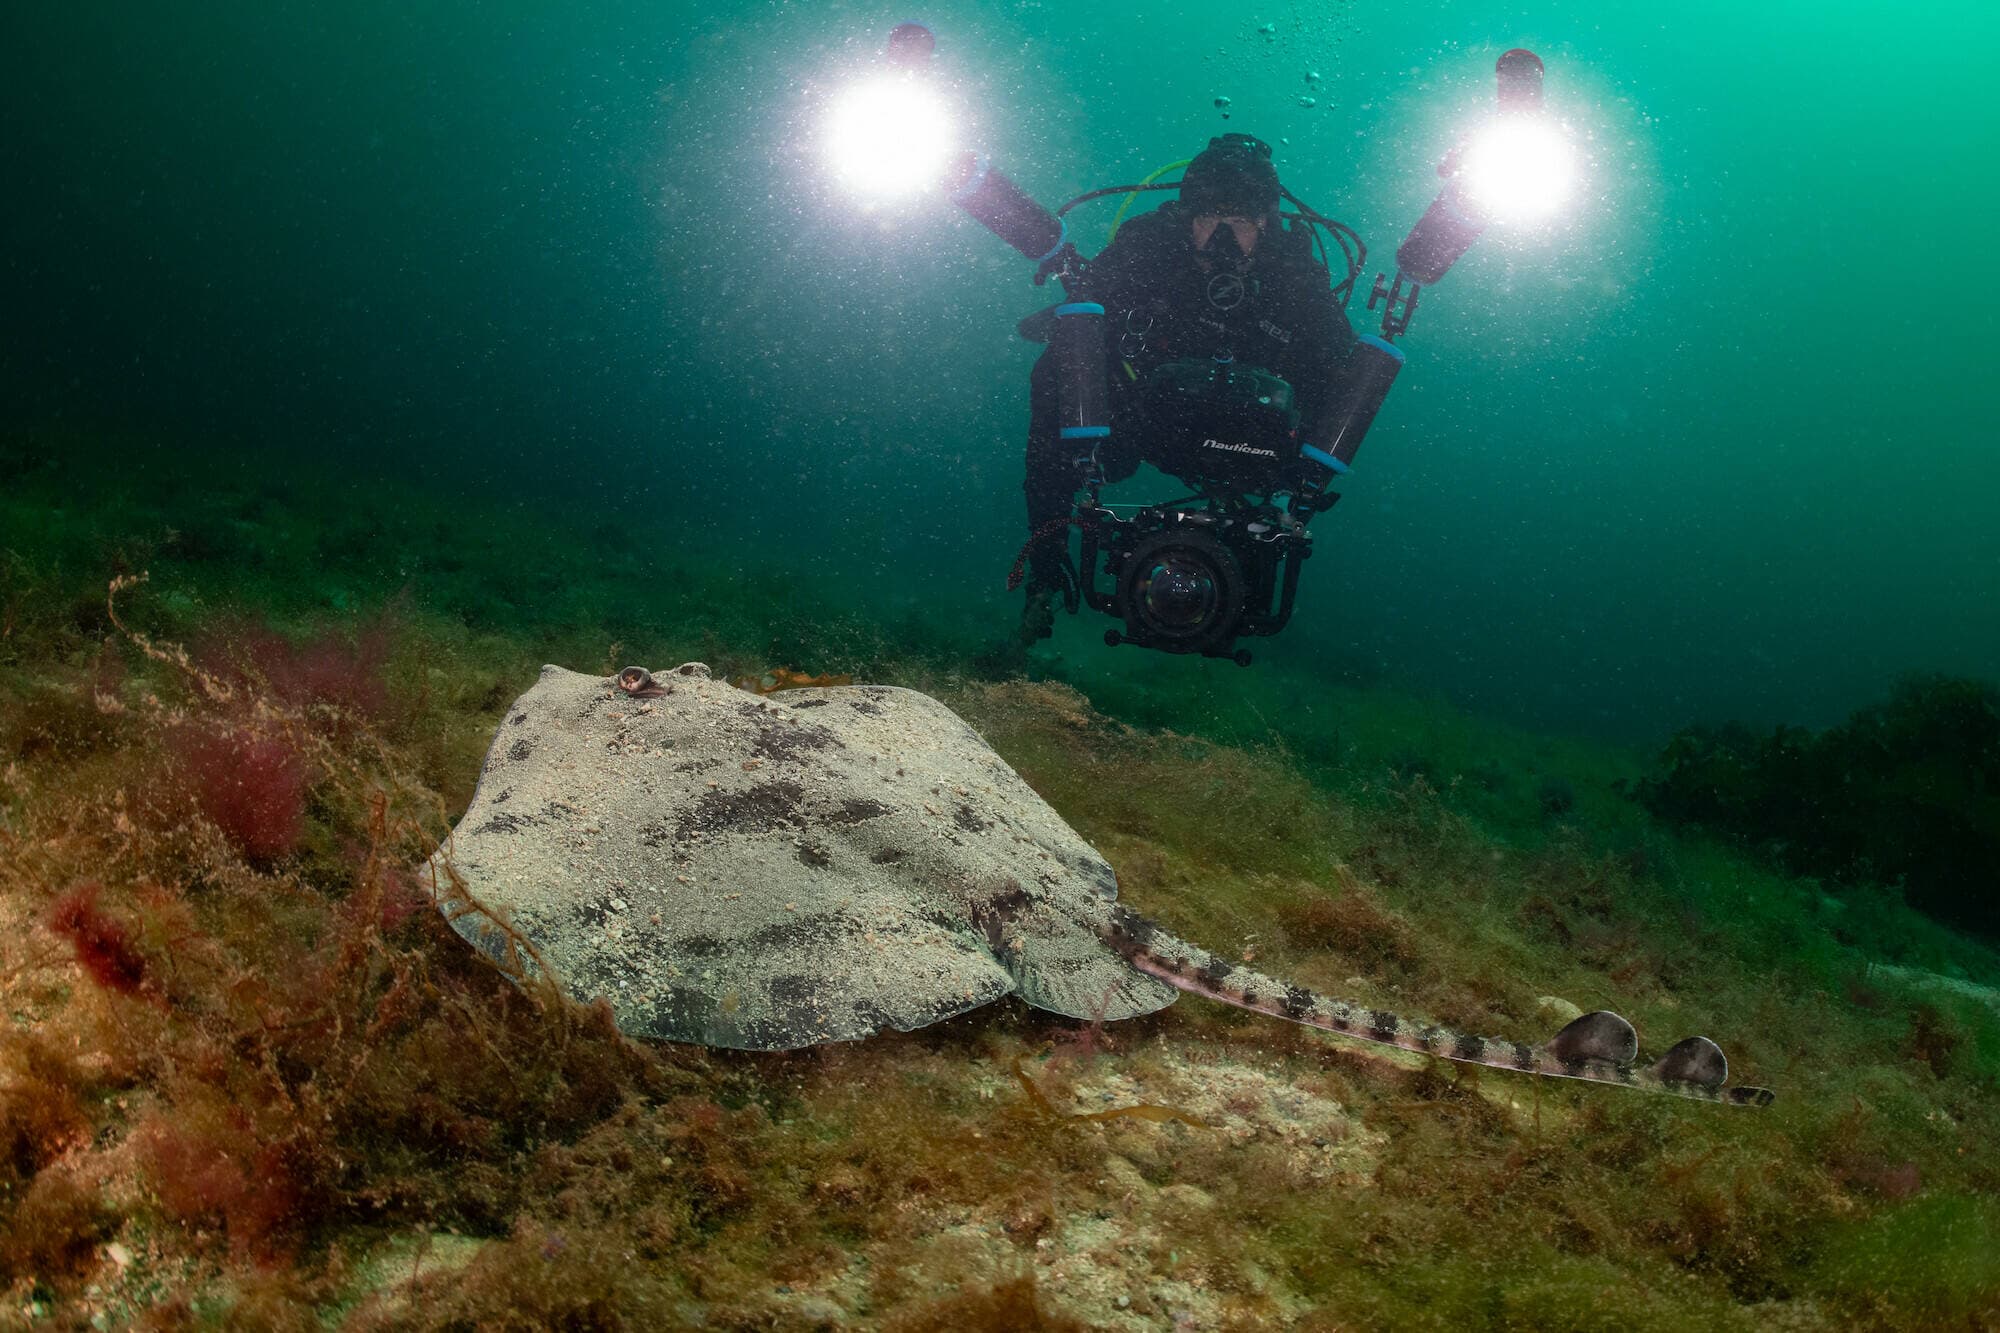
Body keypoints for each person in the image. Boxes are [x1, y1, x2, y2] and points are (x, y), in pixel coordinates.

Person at [1017, 133, 1358, 644]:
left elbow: (1340, 372)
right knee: (1057, 365)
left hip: (1254, 449)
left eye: (1239, 221)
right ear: (1185, 217)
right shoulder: (1146, 251)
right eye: (1208, 218)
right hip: (1149, 426)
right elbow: (1078, 318)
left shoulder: (1295, 278)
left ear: (1265, 223)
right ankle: (1045, 564)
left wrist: (1304, 478)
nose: (1222, 237)